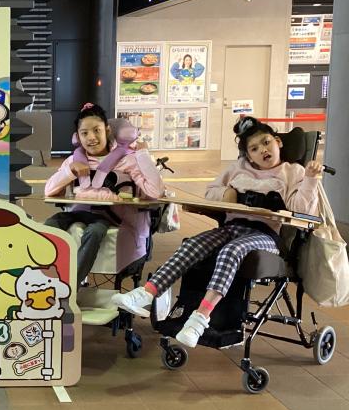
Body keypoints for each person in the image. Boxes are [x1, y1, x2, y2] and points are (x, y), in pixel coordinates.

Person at [112, 116, 322, 347]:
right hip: (232, 226)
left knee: (231, 251)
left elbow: (301, 210)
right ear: (248, 155)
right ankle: (146, 294)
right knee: (193, 244)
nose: (263, 150)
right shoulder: (237, 169)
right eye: (254, 148)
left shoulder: (292, 171)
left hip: (266, 235)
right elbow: (211, 193)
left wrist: (310, 179)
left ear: (278, 142)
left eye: (266, 142)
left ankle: (199, 319)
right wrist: (226, 194)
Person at [44, 103, 166, 288]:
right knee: (50, 225)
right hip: (77, 213)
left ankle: (70, 287)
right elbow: (48, 191)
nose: (91, 137)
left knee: (95, 231)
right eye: (85, 133)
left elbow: (155, 191)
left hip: (110, 217)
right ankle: (44, 276)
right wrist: (69, 171)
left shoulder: (127, 160)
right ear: (78, 136)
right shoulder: (73, 161)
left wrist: (142, 153)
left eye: (97, 130)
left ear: (107, 130)